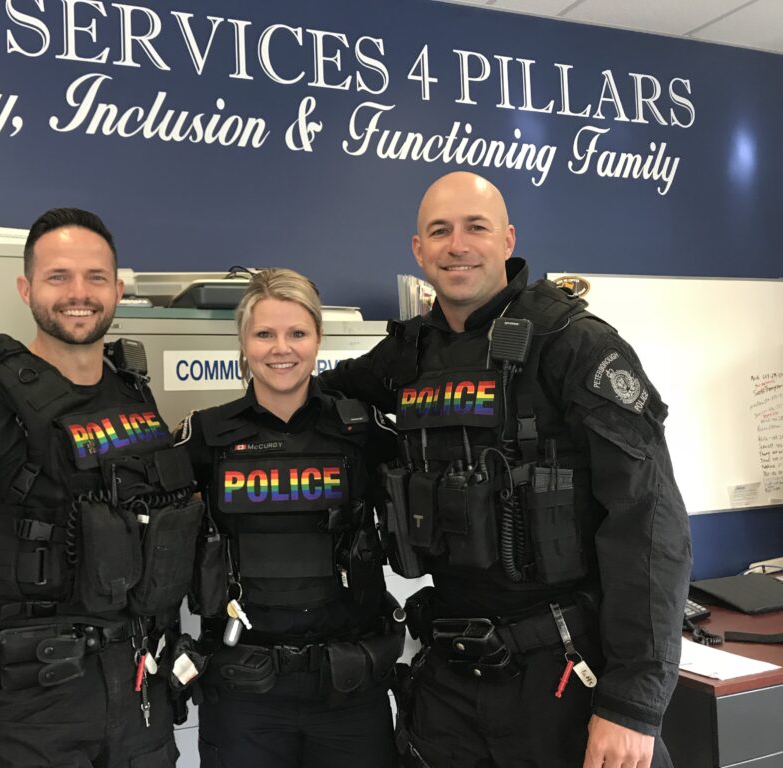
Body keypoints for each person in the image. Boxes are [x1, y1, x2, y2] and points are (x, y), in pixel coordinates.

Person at [320, 172, 691, 768]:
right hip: (450, 681)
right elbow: (314, 399)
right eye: (439, 232)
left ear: (508, 238)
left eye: (476, 228)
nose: (457, 245)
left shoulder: (573, 344)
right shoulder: (409, 354)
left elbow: (648, 522)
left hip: (565, 677)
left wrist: (632, 704)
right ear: (419, 250)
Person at [0, 208, 200, 768]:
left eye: (96, 277)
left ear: (117, 289)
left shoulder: (133, 395)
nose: (79, 293)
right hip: (28, 711)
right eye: (58, 277)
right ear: (26, 288)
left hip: (140, 699)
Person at [173, 269, 404, 768]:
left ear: (318, 339)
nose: (282, 349)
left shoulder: (363, 432)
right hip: (244, 693)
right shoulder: (204, 439)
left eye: (297, 333)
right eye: (265, 334)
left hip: (348, 689)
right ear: (244, 341)